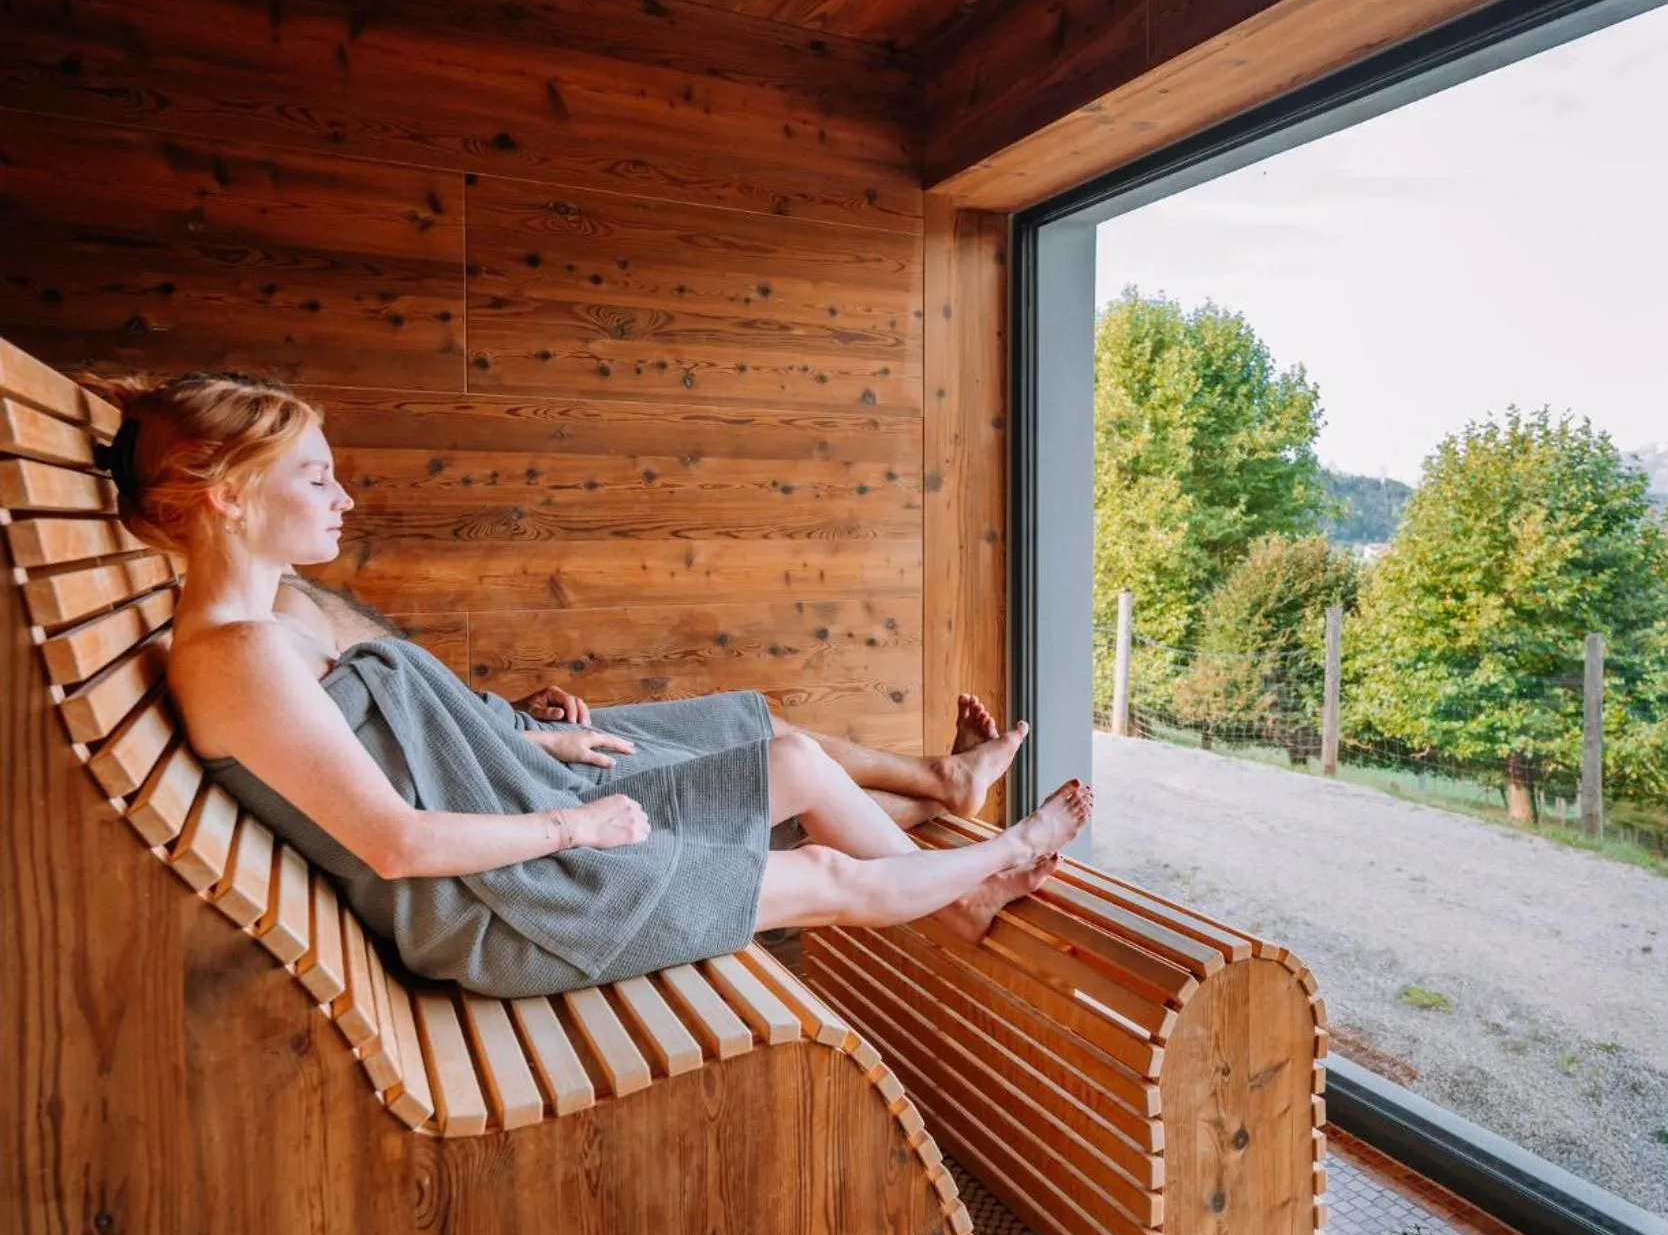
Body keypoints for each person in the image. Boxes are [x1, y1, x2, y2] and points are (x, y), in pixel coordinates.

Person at [90, 369, 1091, 1000]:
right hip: (508, 906)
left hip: (518, 820)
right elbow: (398, 844)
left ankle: (959, 899)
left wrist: (539, 748)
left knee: (788, 758)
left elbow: (392, 744)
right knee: (828, 880)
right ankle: (994, 862)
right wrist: (577, 829)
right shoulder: (237, 655)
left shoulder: (276, 618)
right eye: (314, 476)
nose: (344, 495)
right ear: (225, 492)